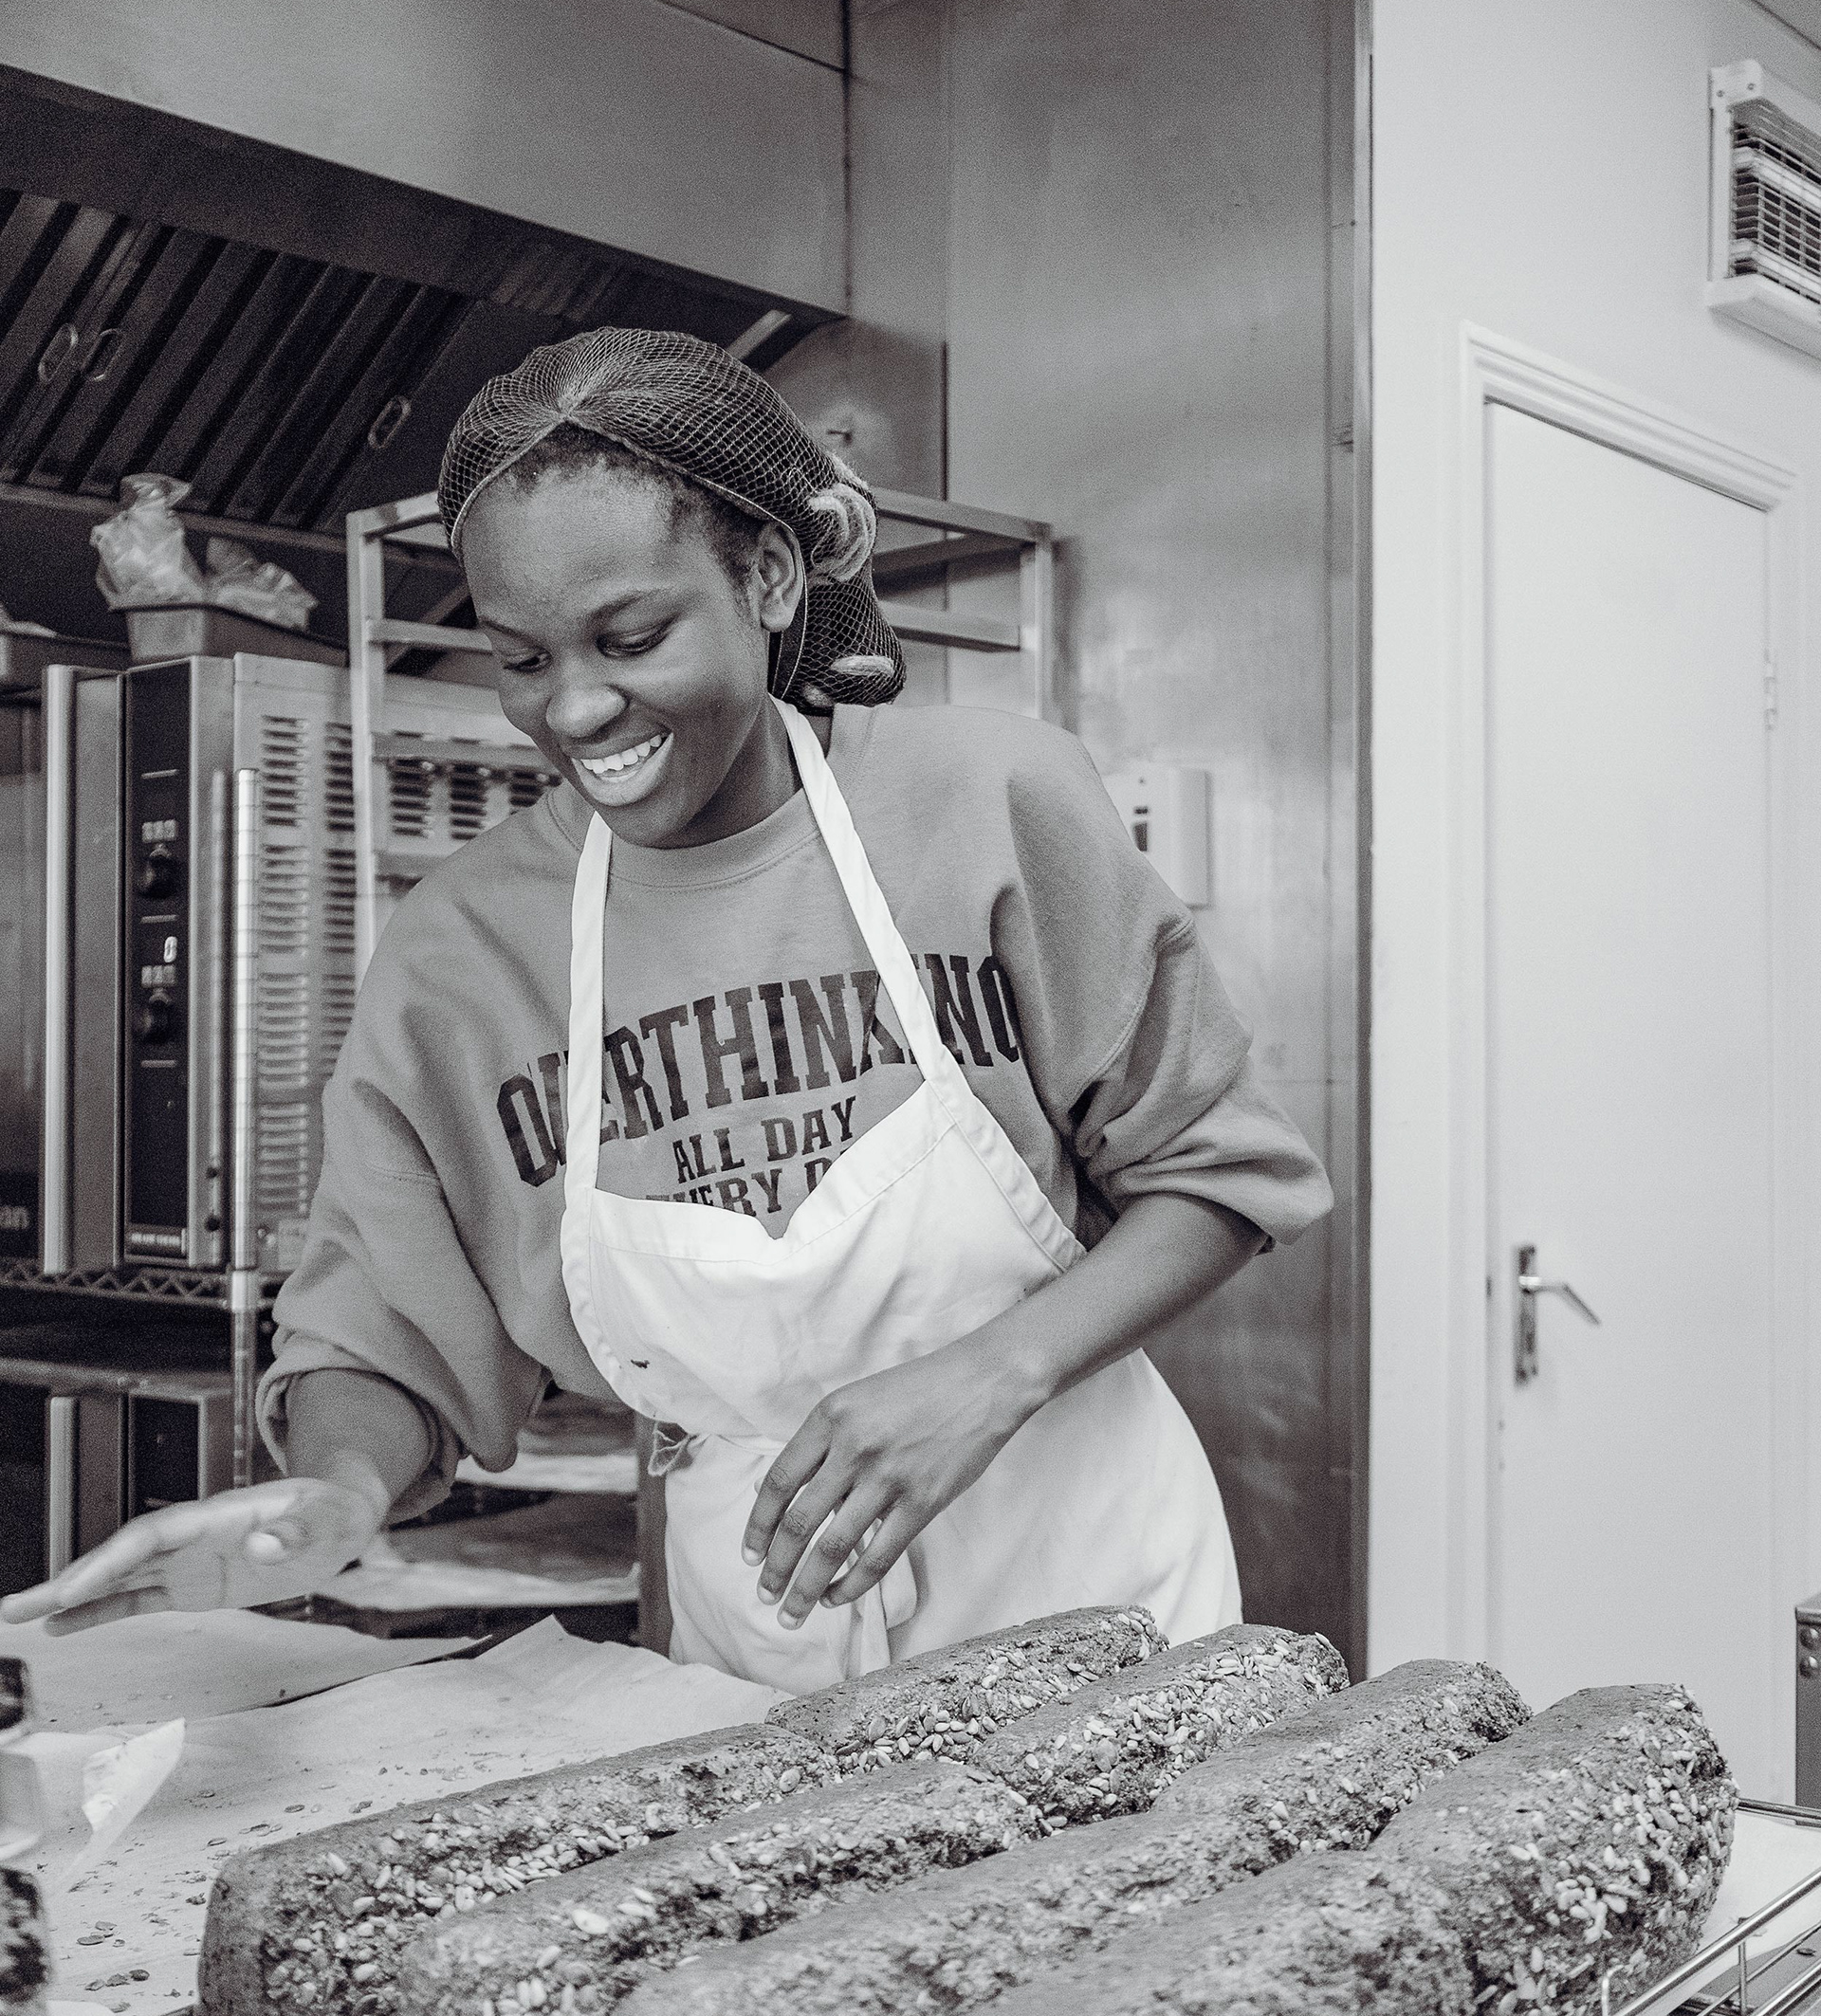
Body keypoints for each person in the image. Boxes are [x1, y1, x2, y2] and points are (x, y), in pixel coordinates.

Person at [1, 329, 1332, 1687]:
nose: (577, 709)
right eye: (520, 660)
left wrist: (987, 1378)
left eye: (631, 637)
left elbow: (1221, 1177)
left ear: (764, 575)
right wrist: (338, 1494)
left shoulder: (988, 803)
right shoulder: (468, 946)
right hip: (760, 1641)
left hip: (1090, 1586)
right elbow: (387, 1332)